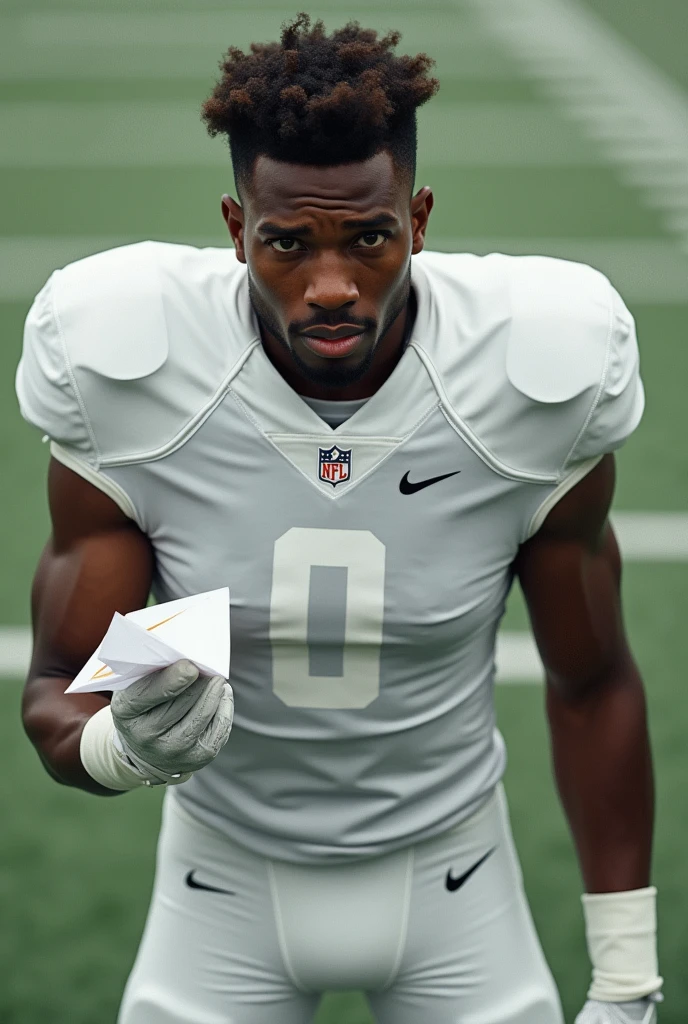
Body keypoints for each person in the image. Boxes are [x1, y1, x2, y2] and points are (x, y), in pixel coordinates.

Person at [16, 13, 661, 1024]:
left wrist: (625, 978)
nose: (331, 286)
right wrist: (121, 745)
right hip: (217, 887)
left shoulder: (535, 368)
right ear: (235, 229)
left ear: (421, 220)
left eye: (370, 238)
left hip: (456, 875)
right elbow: (60, 686)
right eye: (286, 243)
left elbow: (591, 679)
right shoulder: (133, 365)